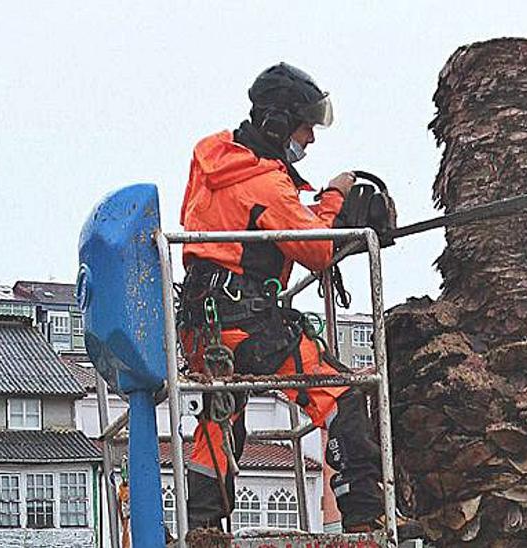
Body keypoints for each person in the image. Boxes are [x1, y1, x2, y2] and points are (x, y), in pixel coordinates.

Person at [176, 62, 384, 533]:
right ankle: (364, 519)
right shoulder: (266, 179)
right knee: (344, 397)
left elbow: (260, 223)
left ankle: (204, 527)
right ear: (276, 123)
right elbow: (315, 249)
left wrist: (312, 211)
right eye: (305, 125)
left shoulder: (214, 162)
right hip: (245, 319)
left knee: (221, 414)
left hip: (203, 323)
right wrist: (336, 199)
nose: (310, 137)